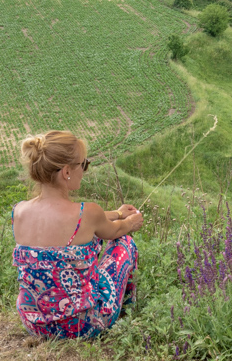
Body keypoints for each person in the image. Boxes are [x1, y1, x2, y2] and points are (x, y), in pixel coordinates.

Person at [11, 131, 143, 339]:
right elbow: (116, 230)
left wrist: (117, 213)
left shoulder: (18, 211)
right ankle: (126, 310)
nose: (85, 170)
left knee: (90, 239)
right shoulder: (87, 213)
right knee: (124, 242)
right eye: (84, 164)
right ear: (66, 172)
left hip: (34, 324)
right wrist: (130, 222)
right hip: (82, 326)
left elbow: (71, 222)